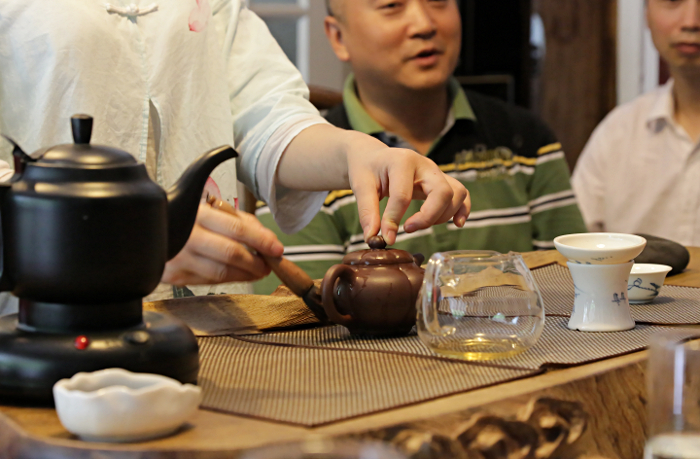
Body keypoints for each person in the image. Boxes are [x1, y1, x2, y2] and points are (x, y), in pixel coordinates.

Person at [0, 0, 470, 314]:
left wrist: (354, 150)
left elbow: (263, 113)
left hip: (211, 330)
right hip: (35, 330)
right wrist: (128, 242)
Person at [254, 0, 586, 294]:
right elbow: (303, 318)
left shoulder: (524, 139)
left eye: (438, 1)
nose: (425, 24)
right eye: (392, 6)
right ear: (339, 36)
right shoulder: (304, 164)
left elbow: (572, 281)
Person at [572, 0, 700, 247]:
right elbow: (577, 250)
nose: (691, 22)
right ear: (646, 13)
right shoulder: (618, 132)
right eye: (673, 1)